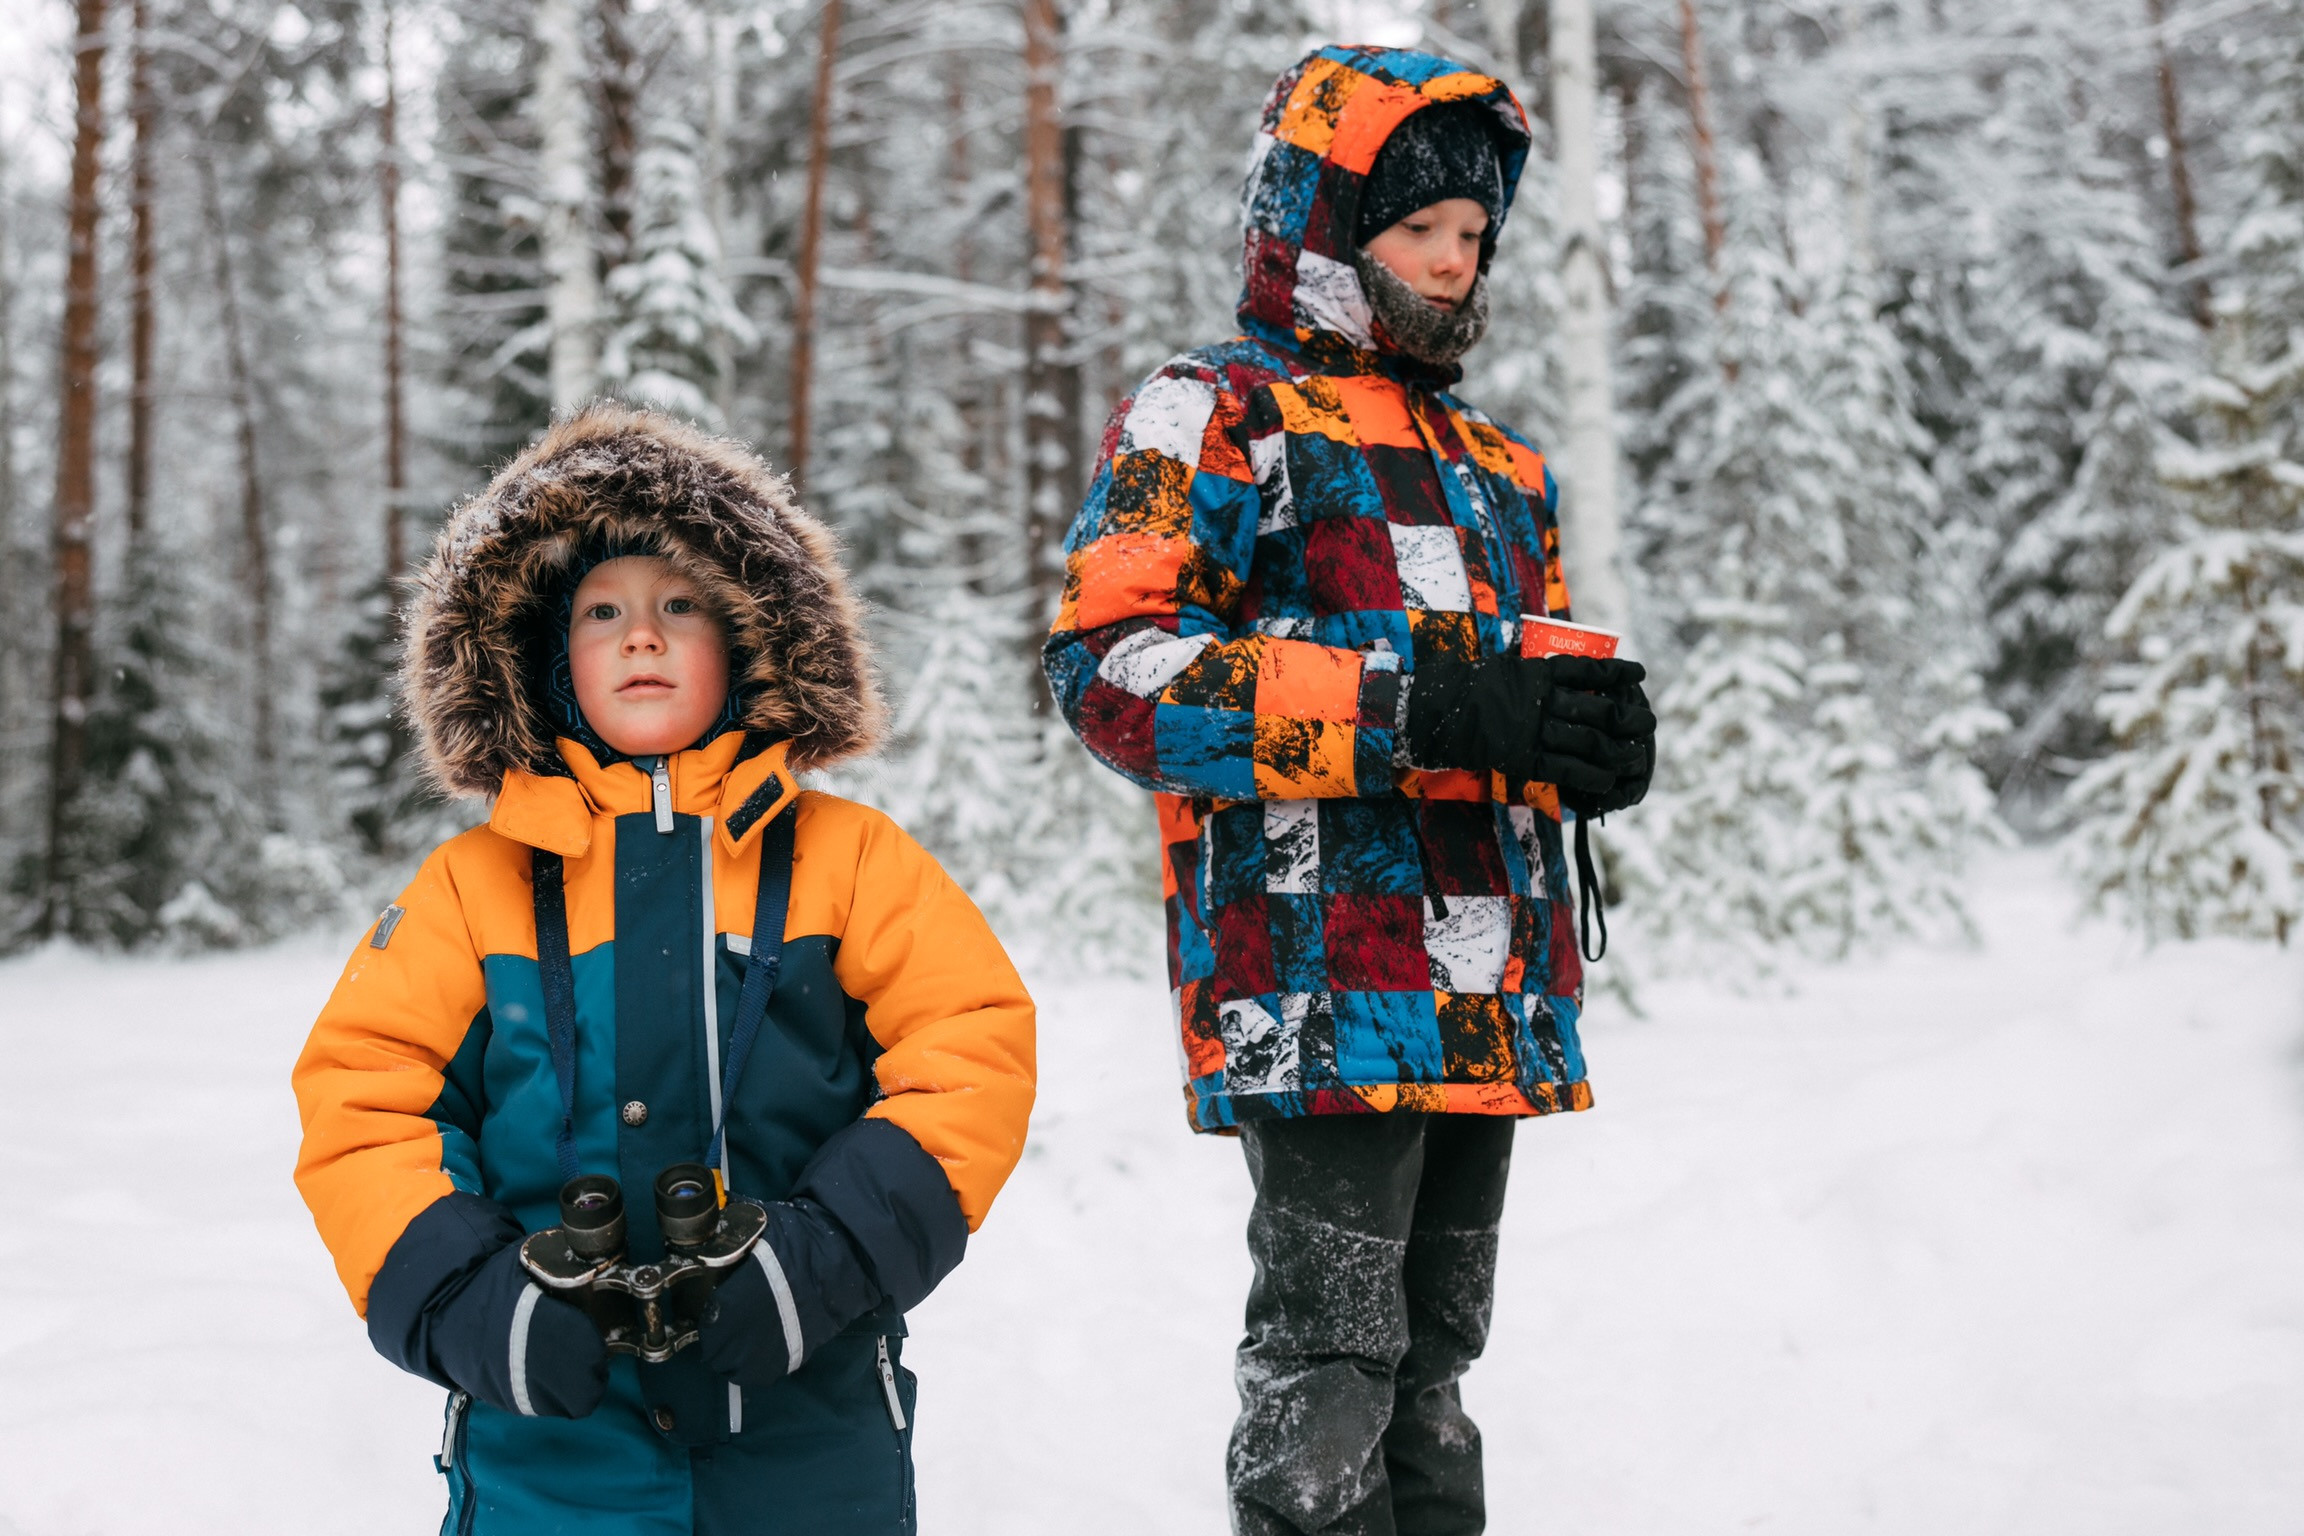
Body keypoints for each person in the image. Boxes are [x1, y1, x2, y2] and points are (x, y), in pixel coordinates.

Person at [1043, 46, 1655, 1536]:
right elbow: (1113, 674)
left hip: (1482, 983)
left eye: (1470, 239)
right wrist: (1415, 704)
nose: (1451, 266)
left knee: (1434, 1378)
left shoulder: (1505, 469)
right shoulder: (1214, 415)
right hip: (1310, 973)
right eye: (1416, 234)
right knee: (1326, 1377)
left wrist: (1579, 747)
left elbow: (1510, 702)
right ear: (1318, 226)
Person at [293, 404, 1036, 1534]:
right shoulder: (467, 886)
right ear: (544, 662)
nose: (642, 636)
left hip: (809, 1417)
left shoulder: (850, 860)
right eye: (602, 613)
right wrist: (466, 1296)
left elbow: (970, 1051)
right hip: (549, 1436)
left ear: (746, 640)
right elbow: (363, 1102)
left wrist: (828, 1253)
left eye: (678, 605)